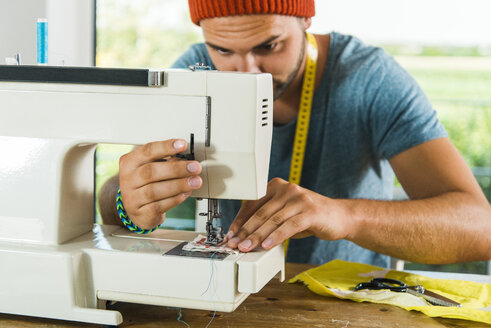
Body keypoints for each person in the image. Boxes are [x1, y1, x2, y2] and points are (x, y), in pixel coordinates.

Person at [99, 0, 491, 267]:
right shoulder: (196, 70)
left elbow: (479, 227)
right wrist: (129, 203)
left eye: (269, 45)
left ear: (306, 19)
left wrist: (342, 214)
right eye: (222, 50)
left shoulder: (370, 79)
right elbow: (113, 194)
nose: (249, 72)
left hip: (348, 303)